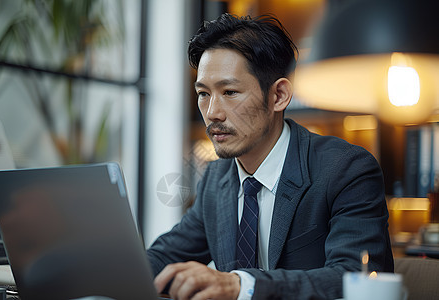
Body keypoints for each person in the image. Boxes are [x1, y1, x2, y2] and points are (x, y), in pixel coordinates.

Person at [147, 13, 393, 300]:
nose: (212, 112)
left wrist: (241, 286)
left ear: (278, 96)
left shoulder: (346, 169)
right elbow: (163, 258)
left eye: (229, 91)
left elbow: (354, 277)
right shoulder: (217, 178)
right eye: (203, 93)